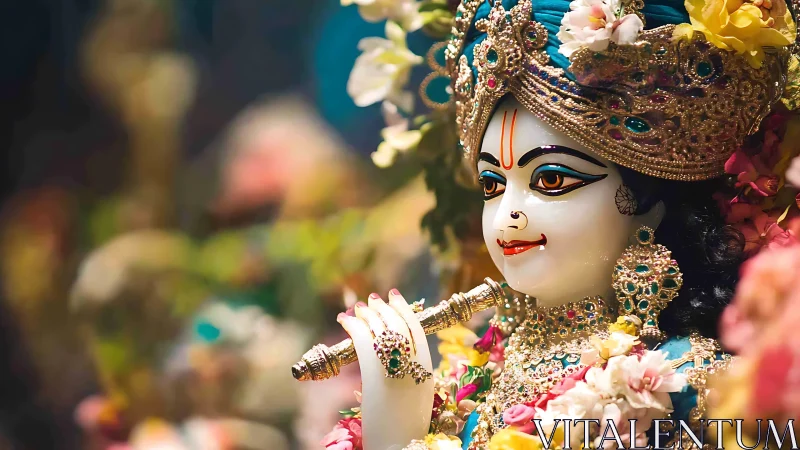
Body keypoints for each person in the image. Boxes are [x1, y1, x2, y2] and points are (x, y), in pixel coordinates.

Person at [324, 0, 798, 448]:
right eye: (492, 185)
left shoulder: (681, 385)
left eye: (550, 179)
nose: (507, 214)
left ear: (649, 201)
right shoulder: (482, 368)